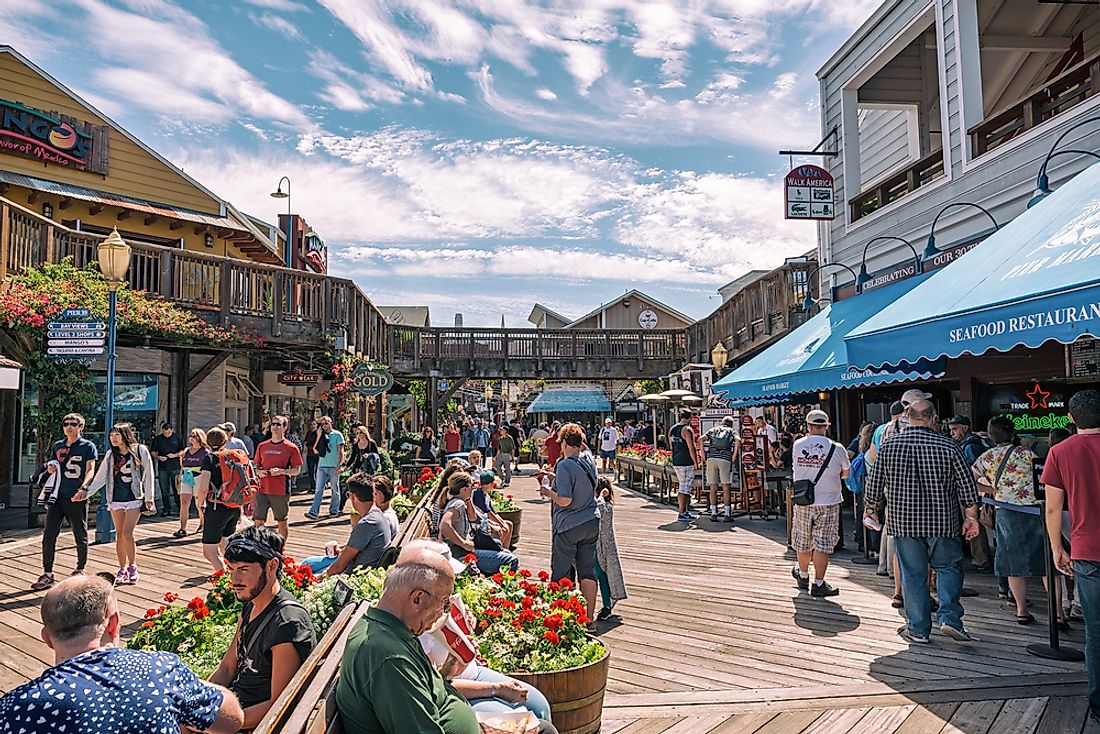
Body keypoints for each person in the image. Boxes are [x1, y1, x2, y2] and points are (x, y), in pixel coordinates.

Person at [0, 575, 244, 733]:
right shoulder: (159, 670)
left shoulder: (15, 709)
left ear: (46, 638)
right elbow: (232, 719)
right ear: (113, 623)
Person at [864, 399, 981, 645]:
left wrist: (872, 509)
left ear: (907, 417)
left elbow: (874, 483)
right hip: (943, 520)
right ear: (933, 417)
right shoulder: (949, 446)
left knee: (913, 574)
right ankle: (950, 619)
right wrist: (971, 517)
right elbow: (967, 485)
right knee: (949, 568)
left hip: (903, 522)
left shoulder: (890, 446)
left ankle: (918, 629)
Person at [335, 547, 479, 734]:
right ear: (417, 598)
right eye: (444, 602)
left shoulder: (391, 627)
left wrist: (444, 674)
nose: (444, 611)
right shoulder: (389, 657)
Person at [209, 527, 316, 730]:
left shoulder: (286, 624)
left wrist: (215, 723)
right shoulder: (252, 605)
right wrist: (195, 697)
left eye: (243, 569)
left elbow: (280, 705)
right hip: (234, 708)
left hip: (251, 722)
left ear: (271, 565)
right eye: (231, 569)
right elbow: (227, 668)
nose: (234, 580)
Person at [1043, 389, 1100, 725]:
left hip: (1086, 548)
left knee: (1095, 629)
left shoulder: (1060, 451)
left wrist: (1056, 548)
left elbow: (1053, 507)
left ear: (1071, 419)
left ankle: (1098, 703)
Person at [972, 415, 1052, 625]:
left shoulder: (986, 457)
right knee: (1046, 561)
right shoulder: (1027, 453)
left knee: (1013, 562)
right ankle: (1058, 613)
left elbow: (969, 481)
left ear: (990, 435)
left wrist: (992, 489)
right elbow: (1041, 480)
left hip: (1006, 512)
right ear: (1013, 433)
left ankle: (1021, 610)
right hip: (1034, 511)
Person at [538, 423, 600, 624]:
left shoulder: (564, 464)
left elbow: (565, 500)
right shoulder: (589, 461)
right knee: (587, 570)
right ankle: (589, 618)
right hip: (591, 521)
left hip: (568, 525)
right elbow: (580, 478)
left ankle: (560, 619)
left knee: (562, 572)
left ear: (564, 442)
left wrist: (548, 491)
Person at [789, 410, 850, 598]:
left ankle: (803, 574)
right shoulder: (837, 448)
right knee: (822, 544)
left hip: (804, 500)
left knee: (803, 540)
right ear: (826, 426)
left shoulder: (798, 445)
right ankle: (819, 583)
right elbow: (846, 474)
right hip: (829, 501)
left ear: (808, 426)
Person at [34, 413, 98, 590]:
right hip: (57, 496)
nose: (69, 426)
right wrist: (51, 467)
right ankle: (47, 572)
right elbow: (51, 464)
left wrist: (84, 488)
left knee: (80, 532)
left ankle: (80, 568)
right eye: (66, 423)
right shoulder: (57, 445)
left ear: (81, 427)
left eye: (73, 423)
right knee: (49, 534)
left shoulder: (88, 446)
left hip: (76, 495)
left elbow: (90, 469)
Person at [85, 423, 155, 585]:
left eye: (117, 435)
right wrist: (86, 493)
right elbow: (101, 477)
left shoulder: (140, 450)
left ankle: (132, 566)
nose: (114, 438)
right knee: (120, 534)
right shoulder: (111, 455)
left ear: (125, 435)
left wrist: (149, 497)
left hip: (134, 497)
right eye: (111, 435)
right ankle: (122, 568)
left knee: (127, 532)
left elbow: (149, 473)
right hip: (115, 498)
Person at [306, 472, 395, 575]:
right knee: (308, 564)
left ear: (353, 497)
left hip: (353, 578)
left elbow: (338, 567)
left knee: (308, 569)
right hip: (364, 569)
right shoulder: (378, 515)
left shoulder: (367, 523)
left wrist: (314, 581)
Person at [440, 471, 518, 575]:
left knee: (506, 552)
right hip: (462, 553)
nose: (475, 488)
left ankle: (494, 581)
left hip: (468, 548)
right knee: (511, 560)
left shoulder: (462, 501)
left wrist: (468, 499)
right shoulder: (457, 504)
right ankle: (499, 584)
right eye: (472, 485)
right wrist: (463, 543)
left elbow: (473, 518)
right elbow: (444, 525)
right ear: (464, 489)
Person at [195, 427, 243, 574]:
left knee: (209, 551)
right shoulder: (233, 456)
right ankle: (234, 573)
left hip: (216, 507)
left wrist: (199, 503)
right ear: (226, 440)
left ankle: (226, 581)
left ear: (207, 442)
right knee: (225, 544)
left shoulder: (210, 459)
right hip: (234, 505)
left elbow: (203, 487)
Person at [253, 415, 303, 540]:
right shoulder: (262, 446)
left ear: (285, 428)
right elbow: (256, 466)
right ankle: (258, 546)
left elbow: (297, 470)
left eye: (278, 424)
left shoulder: (291, 447)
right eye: (273, 424)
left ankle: (281, 549)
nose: (274, 427)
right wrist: (259, 472)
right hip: (262, 489)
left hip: (280, 490)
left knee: (281, 521)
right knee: (258, 521)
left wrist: (282, 471)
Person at [595, 477, 627, 621]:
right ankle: (605, 605)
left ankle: (607, 605)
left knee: (602, 575)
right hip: (596, 546)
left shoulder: (606, 506)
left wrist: (601, 496)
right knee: (598, 576)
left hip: (604, 547)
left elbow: (600, 509)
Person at [307, 415, 345, 520]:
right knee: (318, 489)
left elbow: (340, 450)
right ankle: (314, 512)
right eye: (322, 424)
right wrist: (319, 435)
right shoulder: (320, 435)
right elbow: (315, 449)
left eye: (326, 423)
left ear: (331, 423)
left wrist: (340, 464)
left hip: (333, 466)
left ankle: (334, 510)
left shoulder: (337, 435)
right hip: (322, 465)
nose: (324, 425)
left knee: (335, 489)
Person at [703, 415, 739, 522]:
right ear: (731, 424)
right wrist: (734, 456)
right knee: (726, 487)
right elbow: (738, 440)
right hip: (725, 459)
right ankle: (727, 514)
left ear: (722, 422)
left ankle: (714, 513)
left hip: (711, 459)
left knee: (712, 487)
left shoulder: (713, 430)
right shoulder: (731, 431)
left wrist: (704, 456)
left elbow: (700, 439)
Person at [177, 428, 209, 537]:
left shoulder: (205, 451)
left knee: (199, 503)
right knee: (184, 502)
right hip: (186, 476)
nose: (192, 438)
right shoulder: (186, 450)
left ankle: (203, 523)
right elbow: (182, 465)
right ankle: (183, 528)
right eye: (191, 436)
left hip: (199, 476)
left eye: (195, 436)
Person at [670, 408, 701, 522]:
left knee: (683, 485)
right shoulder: (687, 429)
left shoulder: (672, 429)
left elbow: (671, 446)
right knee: (684, 486)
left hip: (676, 460)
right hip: (686, 461)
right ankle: (682, 512)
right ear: (690, 418)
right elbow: (691, 447)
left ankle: (685, 511)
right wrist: (696, 461)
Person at [472, 471, 514, 549]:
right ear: (491, 484)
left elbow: (494, 512)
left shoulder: (486, 494)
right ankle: (497, 549)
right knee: (503, 529)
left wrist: (503, 523)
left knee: (509, 524)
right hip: (479, 522)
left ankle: (506, 549)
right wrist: (502, 525)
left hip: (486, 519)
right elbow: (488, 513)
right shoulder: (478, 493)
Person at [150, 422, 183, 518]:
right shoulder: (158, 439)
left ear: (172, 430)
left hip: (175, 466)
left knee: (177, 489)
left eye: (168, 433)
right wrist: (158, 457)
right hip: (163, 467)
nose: (166, 435)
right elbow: (153, 451)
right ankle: (166, 508)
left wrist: (175, 455)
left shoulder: (177, 438)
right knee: (164, 489)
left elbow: (183, 450)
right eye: (165, 433)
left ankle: (180, 508)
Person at [303, 419, 320, 493]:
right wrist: (304, 450)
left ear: (316, 425)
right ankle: (313, 486)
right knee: (311, 471)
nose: (312, 426)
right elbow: (306, 442)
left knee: (318, 471)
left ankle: (319, 485)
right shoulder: (308, 433)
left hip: (318, 454)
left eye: (314, 424)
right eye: (311, 425)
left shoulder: (318, 433)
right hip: (310, 454)